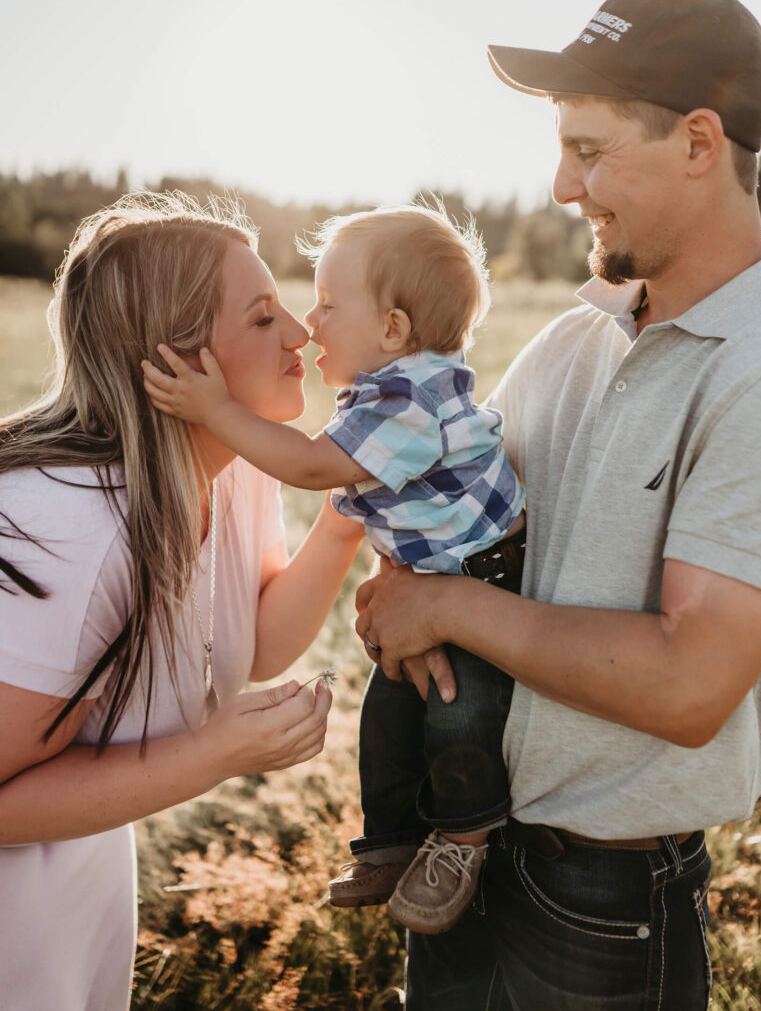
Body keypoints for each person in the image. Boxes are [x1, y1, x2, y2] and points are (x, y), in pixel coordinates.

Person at [352, 0, 761, 1011]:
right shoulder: (571, 335)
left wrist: (443, 612)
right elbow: (448, 517)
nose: (561, 187)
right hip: (461, 845)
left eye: (588, 151)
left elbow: (688, 684)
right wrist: (400, 579)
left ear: (696, 142)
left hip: (605, 886)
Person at [0, 192, 365, 1011]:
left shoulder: (230, 466)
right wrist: (212, 756)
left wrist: (346, 513)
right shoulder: (74, 527)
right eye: (263, 317)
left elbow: (252, 640)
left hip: (86, 865)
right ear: (174, 360)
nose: (300, 334)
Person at [141, 205, 526, 934]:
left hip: (485, 580)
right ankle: (392, 842)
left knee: (461, 713)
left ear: (393, 329)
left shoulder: (408, 403)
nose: (309, 325)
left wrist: (216, 409)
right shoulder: (389, 390)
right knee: (387, 716)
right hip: (441, 577)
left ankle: (464, 843)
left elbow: (314, 465)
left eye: (326, 305)